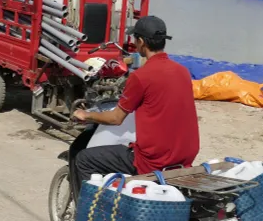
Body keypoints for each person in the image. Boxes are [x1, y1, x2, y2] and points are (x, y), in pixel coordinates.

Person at [72, 16, 200, 183]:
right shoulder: (183, 72)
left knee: (83, 159)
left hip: (153, 161)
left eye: (135, 39)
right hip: (184, 156)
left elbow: (116, 118)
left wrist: (85, 115)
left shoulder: (141, 76)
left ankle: (86, 209)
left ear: (141, 42)